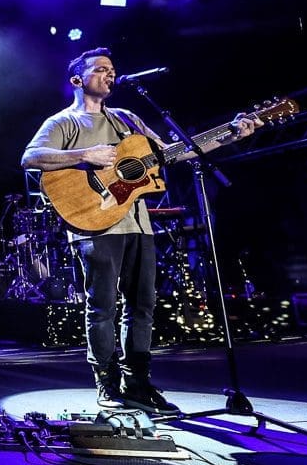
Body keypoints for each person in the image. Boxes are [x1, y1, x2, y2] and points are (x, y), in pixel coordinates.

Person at [20, 48, 258, 413]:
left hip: (138, 223)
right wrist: (84, 155)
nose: (110, 74)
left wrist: (230, 135)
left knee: (142, 305)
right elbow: (30, 157)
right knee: (102, 307)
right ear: (77, 80)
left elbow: (173, 152)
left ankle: (138, 381)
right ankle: (107, 382)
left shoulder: (126, 119)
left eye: (112, 70)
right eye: (100, 69)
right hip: (93, 224)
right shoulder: (63, 123)